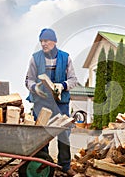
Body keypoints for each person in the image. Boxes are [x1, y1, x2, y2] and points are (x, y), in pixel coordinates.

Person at [25, 28, 78, 176]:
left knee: (64, 134)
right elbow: (28, 80)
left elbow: (74, 80)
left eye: (46, 40)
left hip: (61, 103)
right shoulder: (35, 58)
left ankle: (65, 166)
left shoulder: (65, 57)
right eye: (41, 41)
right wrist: (35, 88)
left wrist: (63, 86)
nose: (43, 43)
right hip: (41, 102)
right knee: (42, 135)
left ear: (54, 41)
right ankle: (43, 163)